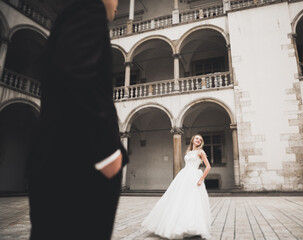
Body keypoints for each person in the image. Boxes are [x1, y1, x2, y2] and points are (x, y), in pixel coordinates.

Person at [27, 0, 128, 239]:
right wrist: (107, 155)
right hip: (79, 168)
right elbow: (75, 73)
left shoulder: (73, 14)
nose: (118, 5)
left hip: (63, 164)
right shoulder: (89, 10)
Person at [142, 134, 212, 239]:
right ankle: (178, 224)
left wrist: (201, 179)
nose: (198, 140)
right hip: (184, 176)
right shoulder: (188, 152)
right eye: (197, 138)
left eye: (200, 140)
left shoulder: (200, 152)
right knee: (179, 199)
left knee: (192, 200)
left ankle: (193, 226)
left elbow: (208, 167)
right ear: (193, 140)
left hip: (193, 177)